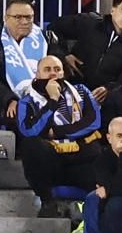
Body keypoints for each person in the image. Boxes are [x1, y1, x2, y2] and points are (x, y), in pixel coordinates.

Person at [16, 55, 105, 201]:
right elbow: (30, 131)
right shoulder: (27, 102)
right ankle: (48, 202)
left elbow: (93, 121)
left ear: (63, 73)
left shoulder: (81, 91)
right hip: (51, 161)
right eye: (47, 69)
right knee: (31, 144)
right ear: (37, 75)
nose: (53, 73)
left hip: (81, 157)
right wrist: (53, 101)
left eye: (57, 69)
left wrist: (56, 132)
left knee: (97, 149)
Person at [0, 0, 55, 128]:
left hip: (50, 101)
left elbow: (58, 71)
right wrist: (9, 99)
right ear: (6, 18)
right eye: (18, 17)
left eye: (28, 17)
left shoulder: (47, 40)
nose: (24, 22)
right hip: (12, 106)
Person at [50, 0, 122, 95]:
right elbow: (54, 27)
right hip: (69, 90)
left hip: (106, 102)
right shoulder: (89, 22)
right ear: (112, 9)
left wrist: (109, 89)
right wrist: (63, 55)